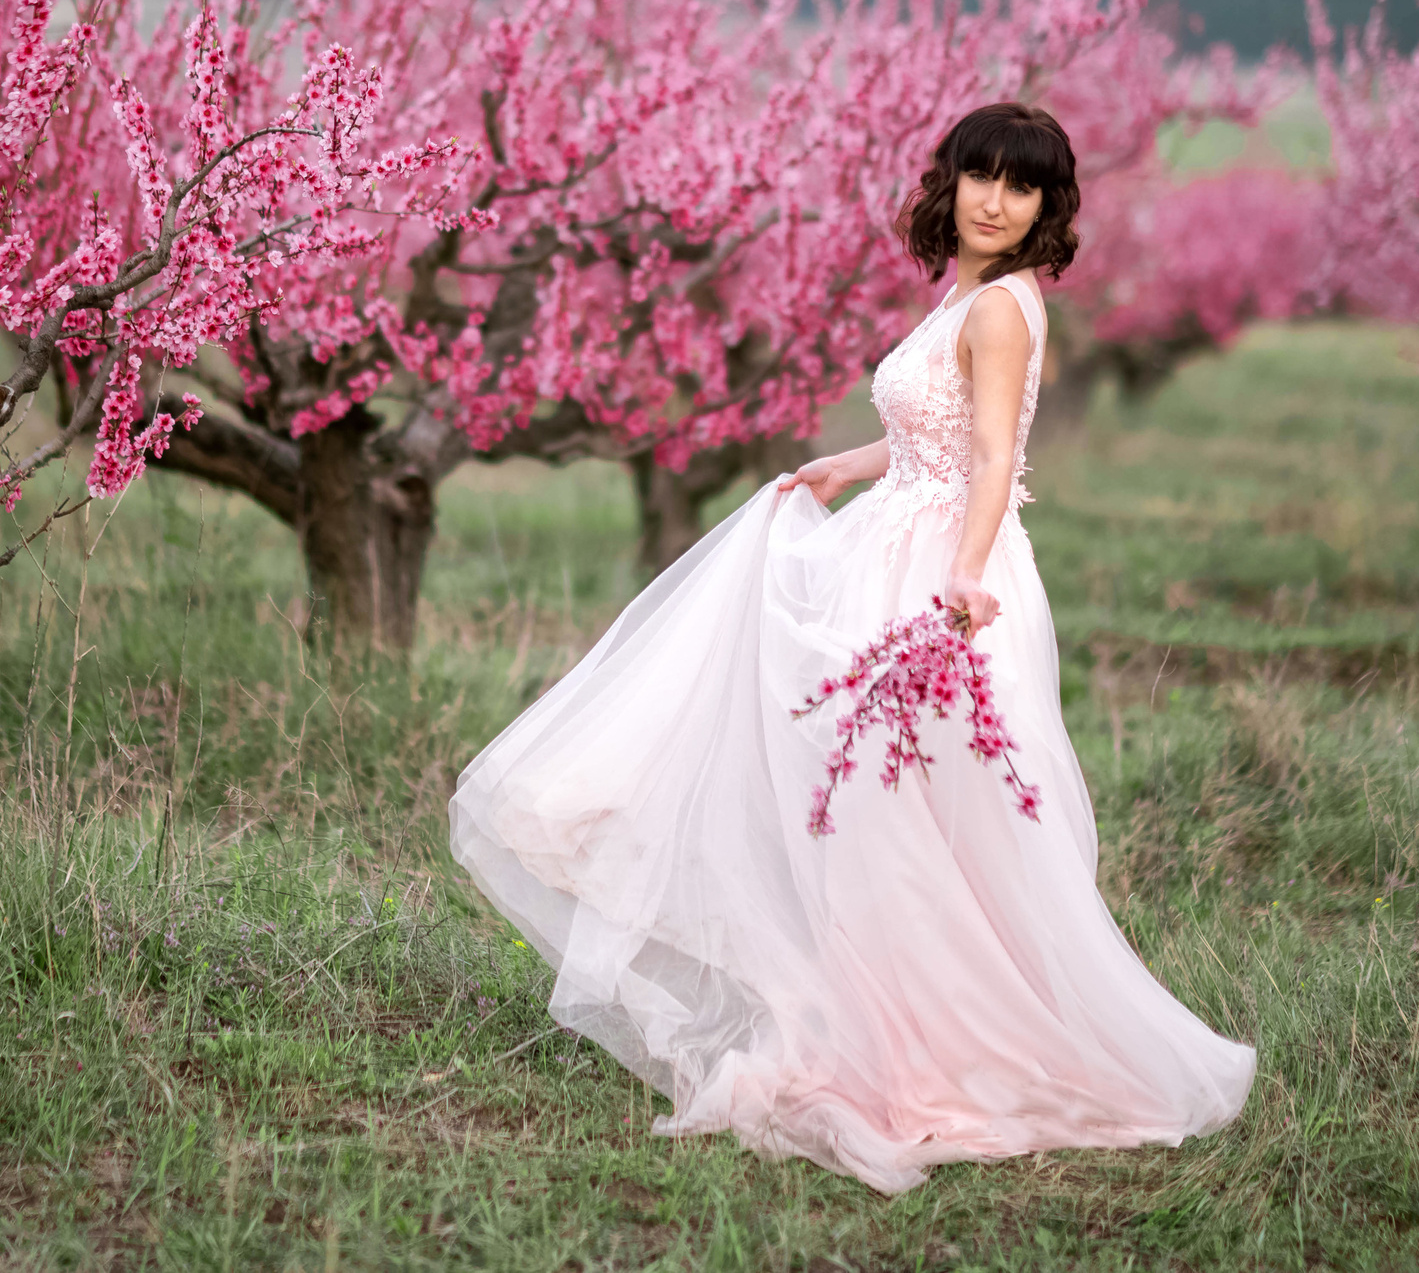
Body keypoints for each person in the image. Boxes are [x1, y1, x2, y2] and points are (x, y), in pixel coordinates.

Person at [449, 102, 1255, 1194]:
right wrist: (845, 462)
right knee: (877, 810)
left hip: (941, 566)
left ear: (1044, 209)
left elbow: (991, 460)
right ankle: (880, 1015)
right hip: (903, 533)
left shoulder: (1002, 313)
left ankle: (937, 1046)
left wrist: (964, 577)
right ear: (952, 182)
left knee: (899, 816)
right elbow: (935, 433)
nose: (993, 201)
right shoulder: (965, 296)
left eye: (1019, 188)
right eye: (980, 176)